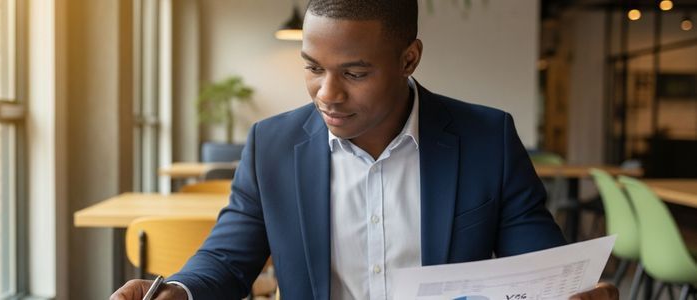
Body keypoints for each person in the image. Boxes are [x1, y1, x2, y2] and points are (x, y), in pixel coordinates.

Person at [112, 0, 618, 299]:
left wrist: (573, 289)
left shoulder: (487, 139)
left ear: (409, 58)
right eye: (312, 67)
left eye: (354, 73)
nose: (327, 94)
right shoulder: (272, 145)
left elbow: (539, 264)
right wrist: (177, 291)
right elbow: (226, 259)